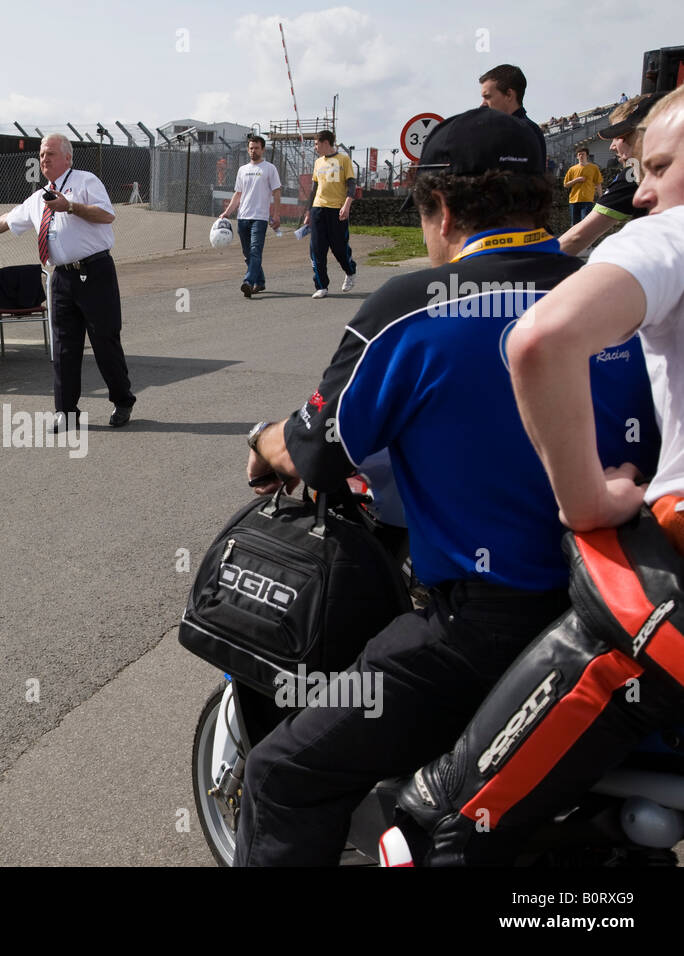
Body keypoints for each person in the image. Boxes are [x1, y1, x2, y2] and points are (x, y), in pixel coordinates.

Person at [232, 107, 658, 866]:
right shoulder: (625, 298)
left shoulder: (411, 309)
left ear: (441, 209)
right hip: (631, 618)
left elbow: (320, 455)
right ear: (550, 199)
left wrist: (266, 440)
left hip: (482, 634)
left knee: (282, 775)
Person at [384, 87, 684, 867]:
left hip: (660, 616)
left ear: (441, 212)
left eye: (658, 165)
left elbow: (541, 340)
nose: (642, 190)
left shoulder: (670, 237)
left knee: (435, 830)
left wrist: (586, 503)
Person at [0, 133, 136, 429]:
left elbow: (107, 216)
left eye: (51, 153)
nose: (45, 159)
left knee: (105, 341)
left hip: (95, 273)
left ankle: (122, 400)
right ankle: (66, 412)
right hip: (61, 278)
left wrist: (71, 207)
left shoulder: (85, 181)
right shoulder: (39, 197)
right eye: (41, 154)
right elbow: (10, 219)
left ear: (68, 157)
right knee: (64, 346)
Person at [560, 92, 663, 255]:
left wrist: (532, 266)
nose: (612, 146)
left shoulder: (635, 172)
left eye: (620, 136)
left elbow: (577, 236)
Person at [218, 135, 283, 297]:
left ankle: (248, 281)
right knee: (248, 254)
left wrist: (276, 214)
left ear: (262, 149)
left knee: (255, 251)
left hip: (260, 218)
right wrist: (227, 212)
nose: (253, 151)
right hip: (243, 217)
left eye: (257, 148)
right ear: (248, 150)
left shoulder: (269, 168)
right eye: (251, 148)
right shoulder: (243, 170)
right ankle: (260, 282)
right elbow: (238, 194)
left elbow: (276, 192)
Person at [302, 130, 356, 299]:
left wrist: (347, 205)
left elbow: (352, 185)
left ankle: (350, 271)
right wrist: (308, 211)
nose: (315, 147)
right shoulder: (318, 163)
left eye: (317, 144)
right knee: (317, 249)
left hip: (337, 210)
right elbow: (314, 189)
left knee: (339, 248)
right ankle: (321, 286)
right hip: (318, 208)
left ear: (326, 143)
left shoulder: (344, 160)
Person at [479, 63, 547, 167]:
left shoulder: (523, 131)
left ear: (509, 95)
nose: (482, 104)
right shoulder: (502, 129)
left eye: (487, 97)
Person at [563, 147, 603, 224]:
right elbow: (566, 185)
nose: (581, 156)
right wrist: (576, 180)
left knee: (585, 223)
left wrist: (601, 197)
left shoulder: (594, 168)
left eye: (583, 154)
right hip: (574, 200)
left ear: (587, 155)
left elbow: (598, 183)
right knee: (574, 224)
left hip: (587, 200)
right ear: (577, 156)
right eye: (579, 154)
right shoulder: (572, 169)